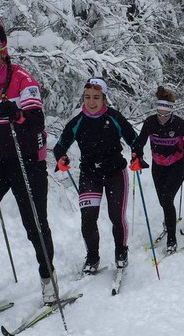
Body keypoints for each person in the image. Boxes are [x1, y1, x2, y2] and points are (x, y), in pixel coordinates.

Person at [0, 19, 54, 318]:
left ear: (3, 53)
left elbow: (36, 123)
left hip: (27, 160)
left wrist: (17, 115)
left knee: (34, 223)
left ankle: (48, 280)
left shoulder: (23, 81)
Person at [53, 78, 139, 275]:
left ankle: (121, 251)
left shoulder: (114, 117)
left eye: (96, 97)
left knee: (116, 216)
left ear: (104, 99)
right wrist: (61, 158)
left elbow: (134, 140)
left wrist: (137, 156)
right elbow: (60, 146)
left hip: (115, 173)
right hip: (90, 175)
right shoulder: (78, 121)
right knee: (88, 218)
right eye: (87, 97)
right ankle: (92, 257)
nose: (91, 102)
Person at [131, 86, 184, 254]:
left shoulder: (179, 124)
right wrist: (137, 157)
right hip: (158, 167)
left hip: (177, 166)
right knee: (163, 201)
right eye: (159, 113)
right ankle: (168, 221)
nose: (162, 117)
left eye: (165, 114)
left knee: (167, 199)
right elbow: (139, 142)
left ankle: (172, 238)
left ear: (171, 111)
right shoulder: (150, 122)